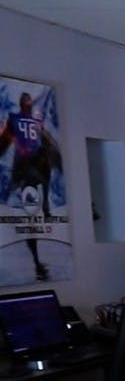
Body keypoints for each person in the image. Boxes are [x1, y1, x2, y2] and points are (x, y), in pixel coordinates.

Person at [0, 91, 61, 280]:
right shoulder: (18, 119)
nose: (28, 102)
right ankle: (36, 264)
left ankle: (45, 208)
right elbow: (5, 141)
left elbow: (47, 141)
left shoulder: (33, 120)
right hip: (27, 170)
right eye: (26, 100)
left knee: (32, 216)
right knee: (31, 218)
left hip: (33, 168)